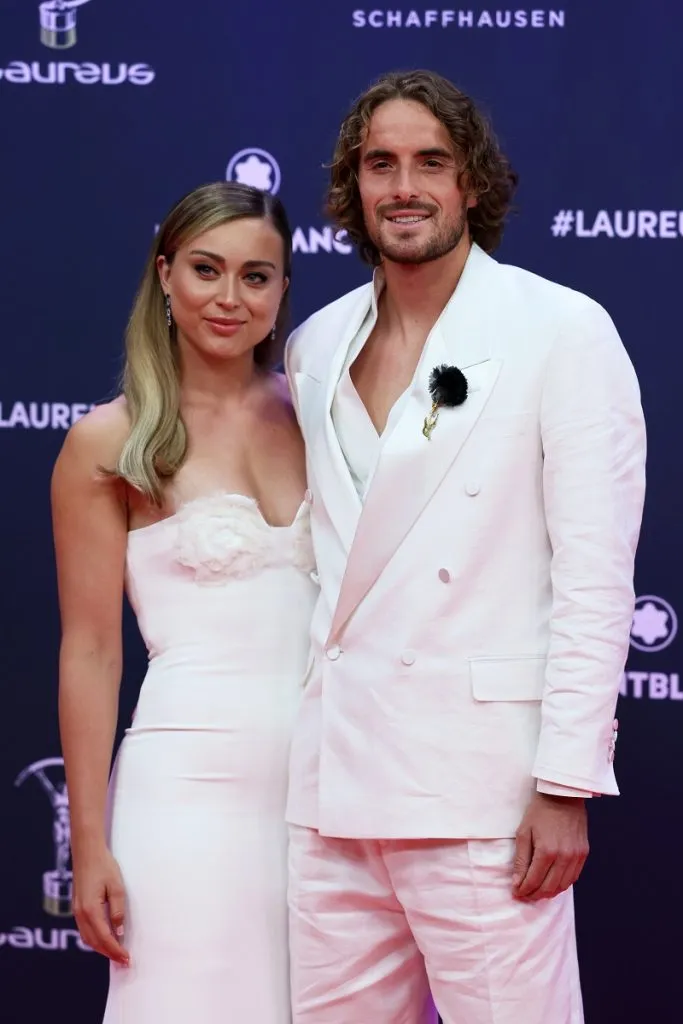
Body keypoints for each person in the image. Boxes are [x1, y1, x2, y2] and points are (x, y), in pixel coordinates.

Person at [284, 70, 646, 1024]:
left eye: (430, 163)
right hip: (332, 795)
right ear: (353, 187)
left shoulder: (560, 330)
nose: (404, 186)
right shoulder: (317, 344)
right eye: (380, 164)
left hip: (482, 796)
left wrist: (564, 784)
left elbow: (596, 577)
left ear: (471, 183)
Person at [51, 181, 317, 1023]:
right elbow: (90, 653)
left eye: (256, 276)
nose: (229, 298)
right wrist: (88, 843)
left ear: (282, 292)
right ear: (165, 277)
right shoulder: (108, 440)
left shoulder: (323, 418)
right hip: (188, 801)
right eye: (207, 270)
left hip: (332, 799)